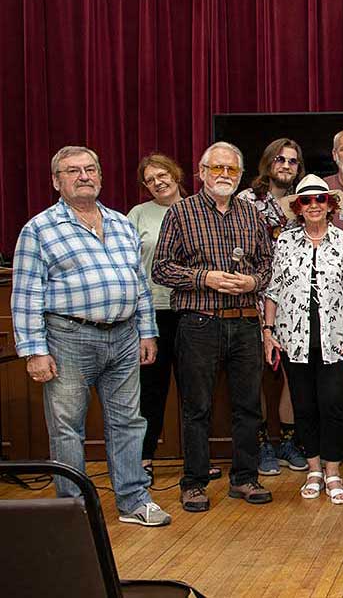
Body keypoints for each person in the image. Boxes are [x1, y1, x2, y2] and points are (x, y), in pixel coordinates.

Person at [13, 145, 170, 527]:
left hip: (125, 337)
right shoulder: (39, 229)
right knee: (67, 428)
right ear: (56, 181)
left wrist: (147, 332)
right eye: (73, 171)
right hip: (68, 339)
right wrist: (34, 351)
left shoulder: (120, 224)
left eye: (90, 169)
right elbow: (27, 293)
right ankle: (73, 510)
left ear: (100, 176)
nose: (83, 176)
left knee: (129, 422)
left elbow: (139, 284)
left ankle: (134, 500)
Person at [153, 141, 275, 512]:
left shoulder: (251, 214)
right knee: (197, 408)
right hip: (199, 324)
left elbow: (267, 267)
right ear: (202, 172)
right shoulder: (181, 212)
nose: (224, 175)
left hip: (245, 322)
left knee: (248, 407)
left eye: (231, 169)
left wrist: (252, 282)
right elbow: (161, 268)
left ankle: (245, 478)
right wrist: (205, 278)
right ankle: (193, 483)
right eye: (217, 168)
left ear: (240, 175)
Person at [262, 175, 343, 505]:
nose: (314, 205)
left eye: (320, 199)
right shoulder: (285, 242)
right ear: (298, 207)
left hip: (335, 337)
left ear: (330, 204)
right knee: (304, 405)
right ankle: (314, 470)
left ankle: (333, 471)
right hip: (293, 338)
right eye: (306, 200)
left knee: (333, 404)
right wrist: (268, 331)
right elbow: (273, 290)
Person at [237, 137, 307, 476]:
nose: (286, 166)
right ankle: (263, 442)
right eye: (280, 159)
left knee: (293, 373)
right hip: (254, 298)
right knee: (258, 375)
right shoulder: (246, 200)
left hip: (296, 300)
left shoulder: (306, 200)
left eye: (293, 161)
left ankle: (289, 441)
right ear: (268, 162)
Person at [128, 154, 194, 484]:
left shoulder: (197, 209)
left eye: (163, 174)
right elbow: (127, 264)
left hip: (191, 310)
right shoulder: (138, 214)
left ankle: (196, 463)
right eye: (151, 179)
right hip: (152, 314)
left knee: (194, 390)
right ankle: (144, 459)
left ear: (176, 174)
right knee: (151, 391)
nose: (158, 182)